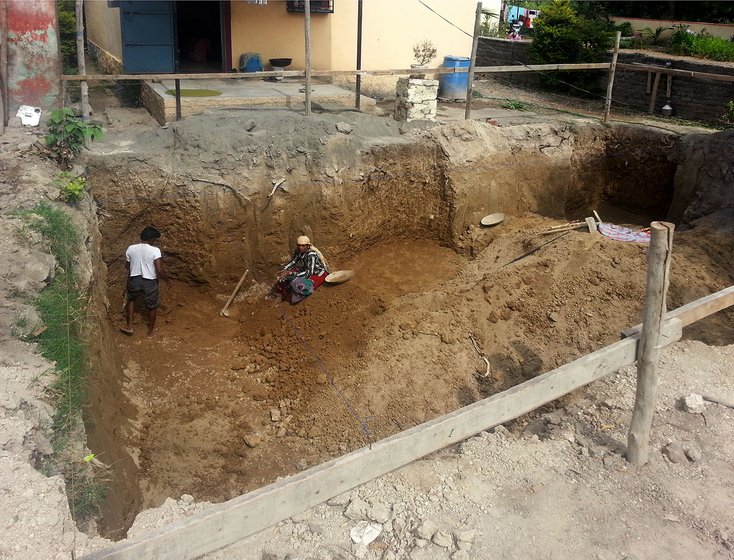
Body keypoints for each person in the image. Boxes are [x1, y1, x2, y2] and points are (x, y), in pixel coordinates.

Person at [121, 226, 171, 337]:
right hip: (149, 282)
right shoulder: (155, 250)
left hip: (134, 279)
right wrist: (167, 281)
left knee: (132, 300)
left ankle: (129, 326)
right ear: (152, 239)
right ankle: (150, 332)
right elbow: (159, 269)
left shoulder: (131, 248)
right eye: (155, 239)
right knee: (152, 306)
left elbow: (127, 266)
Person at [274, 235, 329, 304]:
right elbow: (293, 262)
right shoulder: (299, 252)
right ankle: (285, 293)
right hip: (306, 271)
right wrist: (284, 270)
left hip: (317, 275)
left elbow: (309, 273)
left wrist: (290, 273)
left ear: (308, 246)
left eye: (303, 246)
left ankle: (297, 296)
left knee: (295, 282)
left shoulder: (311, 255)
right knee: (283, 277)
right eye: (299, 245)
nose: (300, 248)